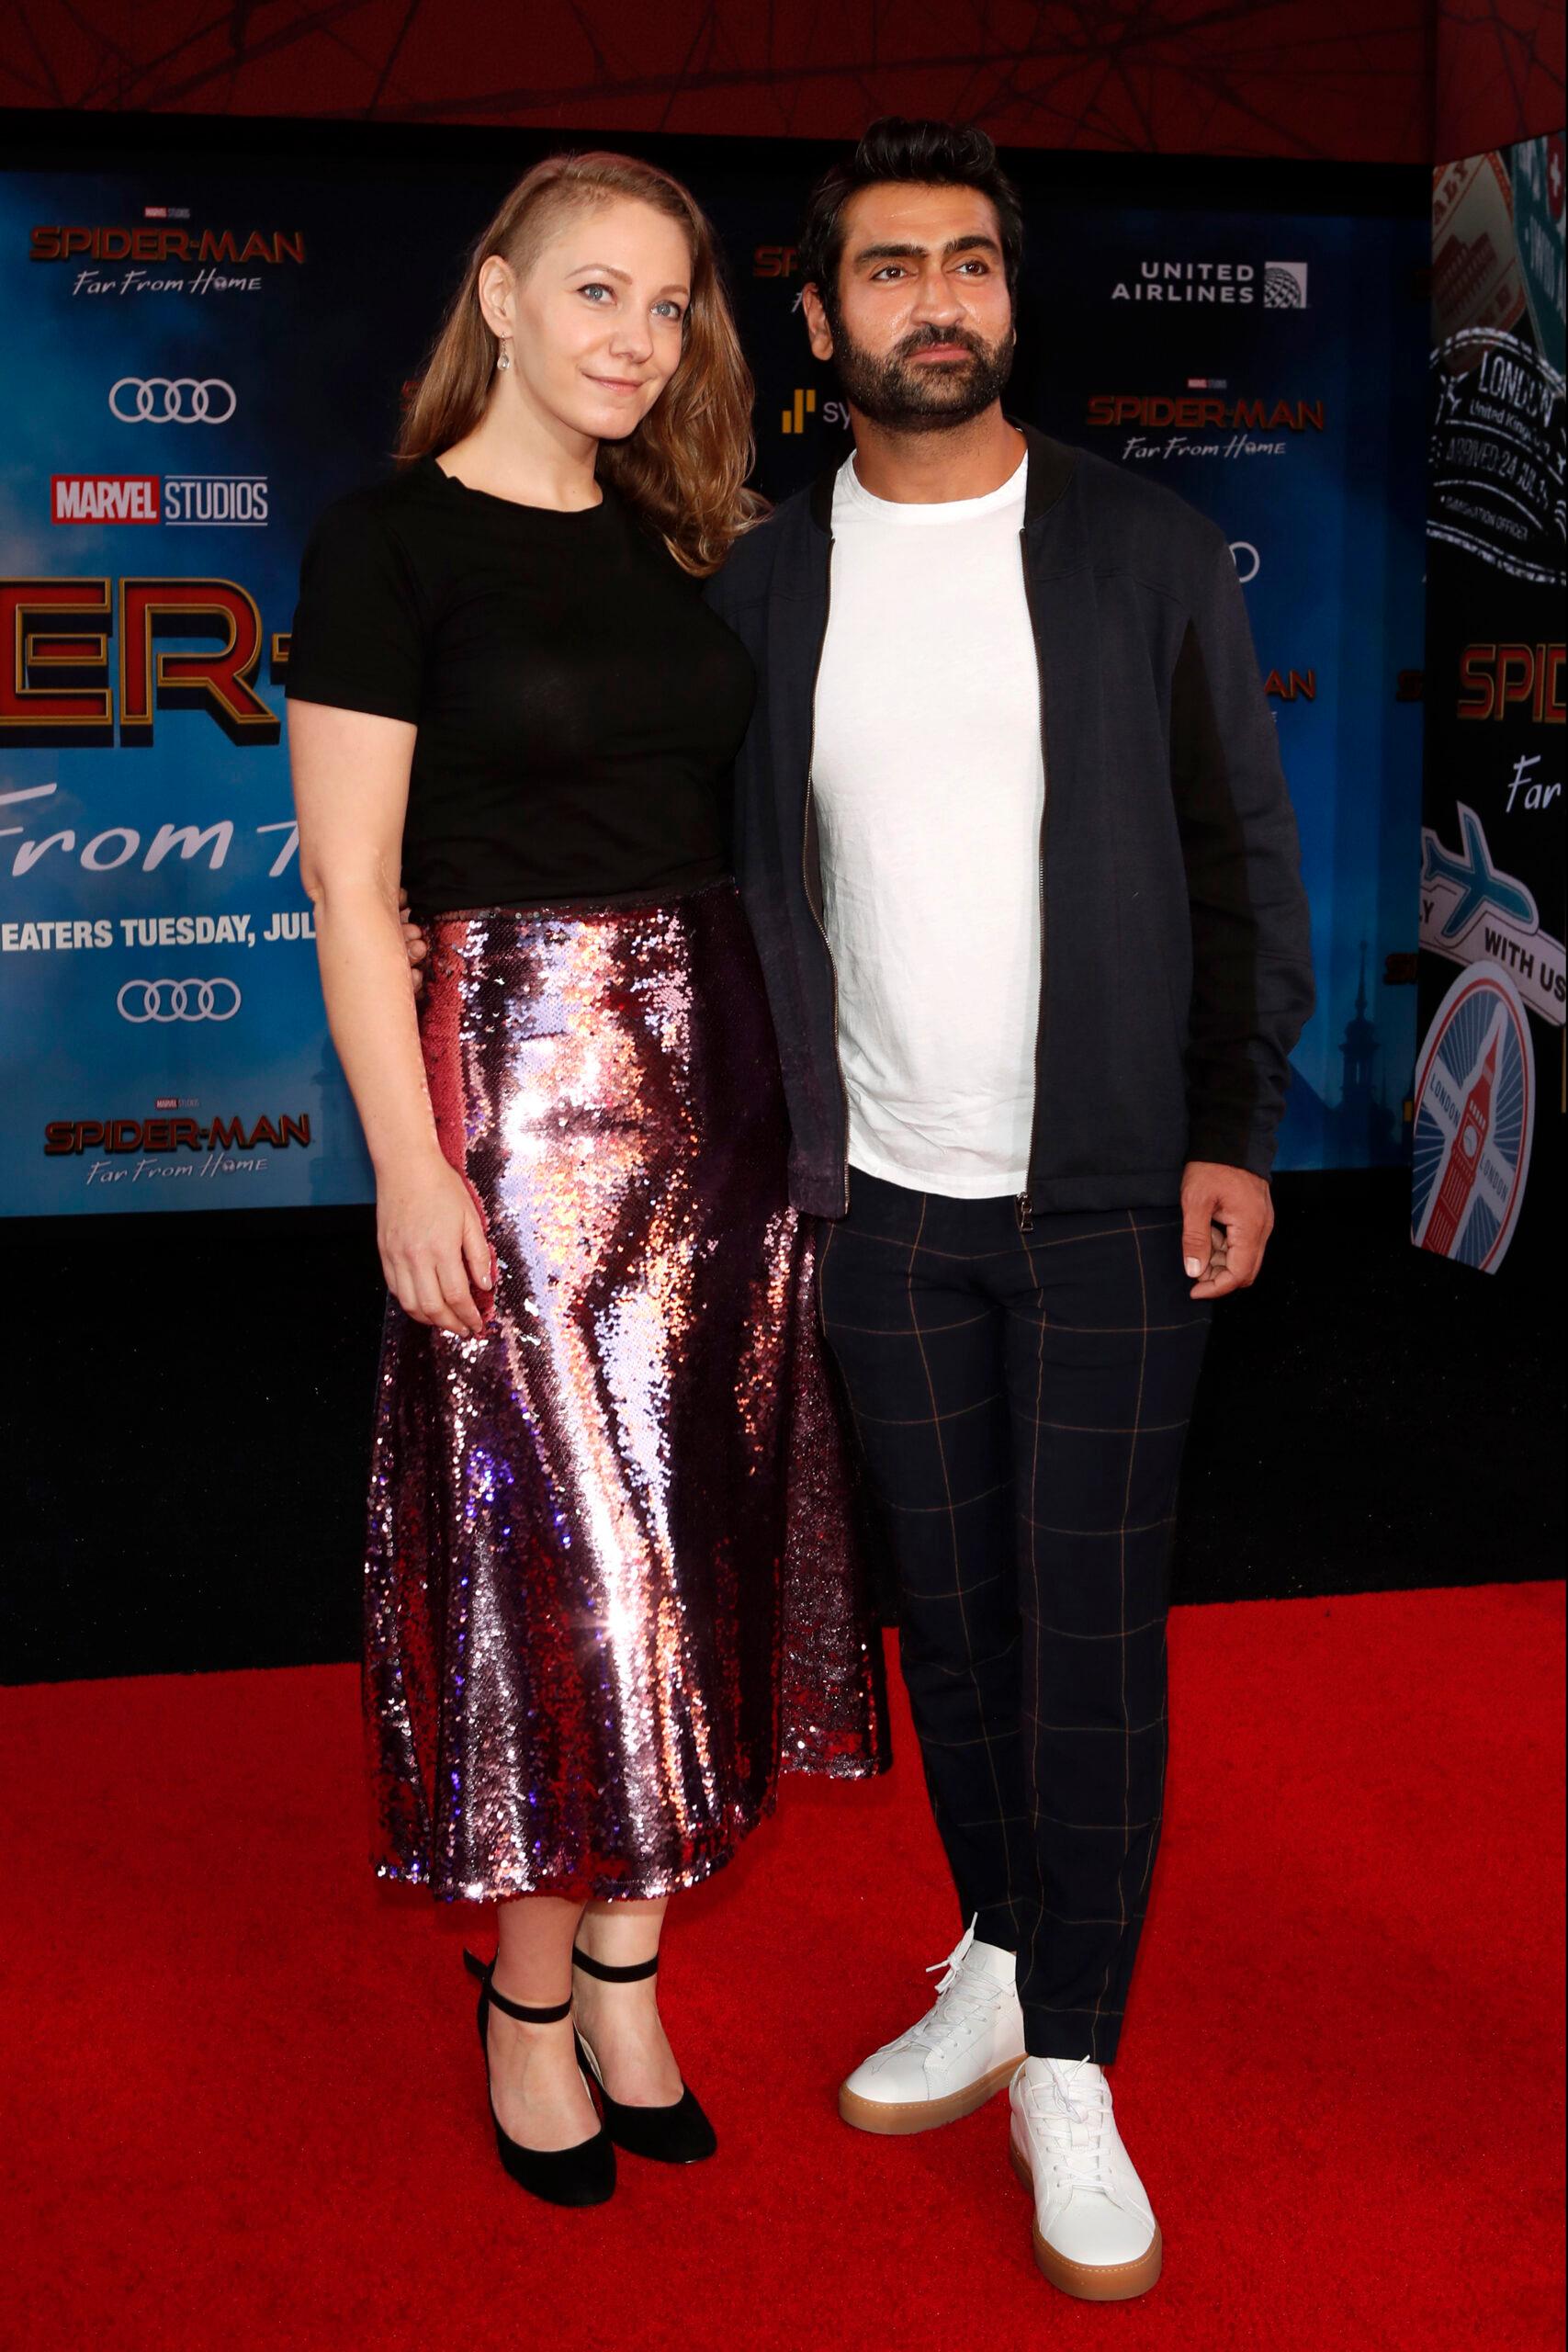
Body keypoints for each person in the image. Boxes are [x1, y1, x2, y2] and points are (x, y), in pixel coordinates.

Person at [701, 119, 1315, 2300]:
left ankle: (1069, 2051)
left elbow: (1243, 851)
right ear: (817, 316)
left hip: (1106, 1201)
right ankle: (989, 1941)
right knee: (949, 1621)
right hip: (873, 1205)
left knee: (1084, 1630)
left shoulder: (1141, 547)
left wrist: (1231, 1125)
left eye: (966, 262)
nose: (933, 301)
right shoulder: (763, 585)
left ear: (1005, 299)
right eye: (887, 269)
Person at [285, 151, 886, 2213]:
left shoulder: (685, 536)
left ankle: (627, 1970)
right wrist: (405, 1159)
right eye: (596, 293)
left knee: (696, 1531)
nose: (633, 337)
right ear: (501, 294)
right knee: (571, 1567)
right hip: (514, 1105)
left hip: (716, 1090)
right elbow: (353, 899)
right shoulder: (385, 546)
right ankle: (527, 2000)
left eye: (667, 306)